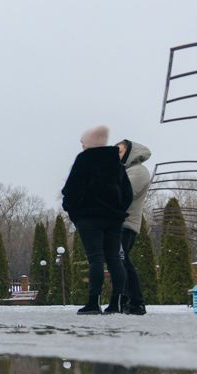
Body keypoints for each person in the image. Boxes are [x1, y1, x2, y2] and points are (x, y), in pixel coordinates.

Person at [61, 125, 132, 314]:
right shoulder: (115, 162)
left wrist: (74, 212)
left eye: (83, 142)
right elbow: (127, 193)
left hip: (89, 218)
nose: (82, 146)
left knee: (96, 259)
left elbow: (70, 190)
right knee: (114, 258)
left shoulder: (84, 160)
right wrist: (118, 210)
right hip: (114, 218)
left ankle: (94, 302)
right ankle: (116, 302)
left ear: (89, 143)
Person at [116, 140, 152, 316]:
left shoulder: (138, 171)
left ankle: (136, 302)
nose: (117, 154)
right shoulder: (124, 171)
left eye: (120, 151)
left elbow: (122, 194)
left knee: (122, 261)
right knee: (119, 262)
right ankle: (125, 301)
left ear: (130, 152)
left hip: (126, 224)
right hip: (119, 223)